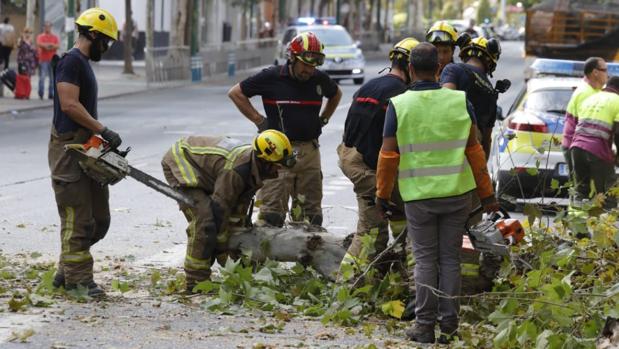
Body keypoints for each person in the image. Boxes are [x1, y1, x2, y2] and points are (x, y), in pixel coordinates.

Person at [376, 43, 498, 344]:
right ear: (439, 69)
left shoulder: (399, 105)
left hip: (419, 197)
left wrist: (383, 195)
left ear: (411, 70)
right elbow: (475, 151)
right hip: (457, 194)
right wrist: (486, 195)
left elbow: (388, 155)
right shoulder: (460, 102)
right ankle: (449, 326)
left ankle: (424, 326)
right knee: (451, 260)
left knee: (426, 260)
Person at [228, 32, 342, 228]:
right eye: (305, 64)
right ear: (292, 58)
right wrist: (259, 121)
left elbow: (336, 94)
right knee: (272, 216)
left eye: (313, 65)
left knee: (311, 217)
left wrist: (323, 119)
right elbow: (236, 93)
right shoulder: (272, 77)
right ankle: (263, 257)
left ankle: (305, 257)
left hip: (309, 153)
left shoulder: (319, 79)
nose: (309, 70)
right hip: (276, 156)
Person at [161, 130, 296, 292]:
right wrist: (221, 247)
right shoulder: (237, 170)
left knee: (231, 224)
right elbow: (220, 207)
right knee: (204, 220)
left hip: (209, 171)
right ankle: (196, 283)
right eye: (277, 166)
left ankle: (237, 272)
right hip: (182, 162)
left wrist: (235, 247)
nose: (278, 172)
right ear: (264, 161)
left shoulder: (254, 168)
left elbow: (237, 211)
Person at [47, 7, 119, 297]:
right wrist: (103, 129)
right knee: (78, 218)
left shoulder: (84, 63)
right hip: (68, 150)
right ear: (93, 35)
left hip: (87, 149)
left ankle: (66, 270)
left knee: (99, 219)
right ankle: (79, 281)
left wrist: (102, 143)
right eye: (106, 41)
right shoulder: (71, 62)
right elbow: (69, 105)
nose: (107, 47)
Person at [337, 37, 418, 270]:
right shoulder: (400, 95)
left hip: (350, 155)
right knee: (372, 234)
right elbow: (387, 145)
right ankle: (347, 284)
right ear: (410, 67)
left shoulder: (370, 85)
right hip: (367, 166)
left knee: (398, 209)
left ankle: (397, 261)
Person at [441, 35, 508, 159]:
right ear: (490, 62)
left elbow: (444, 102)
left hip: (446, 148)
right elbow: (487, 141)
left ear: (465, 54)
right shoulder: (492, 93)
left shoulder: (453, 69)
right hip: (471, 158)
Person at [570, 76, 619, 210]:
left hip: (576, 148)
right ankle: (607, 221)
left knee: (581, 192)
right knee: (609, 191)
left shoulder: (590, 99)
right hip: (596, 151)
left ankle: (578, 226)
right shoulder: (617, 101)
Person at [562, 57, 607, 179]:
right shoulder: (587, 93)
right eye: (605, 70)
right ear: (595, 72)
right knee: (582, 190)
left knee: (583, 189)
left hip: (581, 147)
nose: (607, 74)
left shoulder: (594, 90)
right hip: (580, 149)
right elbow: (589, 127)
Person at [36, 21, 59, 99]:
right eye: (46, 26)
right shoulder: (40, 36)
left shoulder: (55, 37)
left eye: (48, 26)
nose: (47, 28)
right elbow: (39, 44)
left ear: (51, 27)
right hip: (43, 60)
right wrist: (48, 46)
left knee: (52, 78)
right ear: (44, 27)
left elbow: (57, 45)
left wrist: (50, 46)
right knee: (42, 77)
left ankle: (51, 93)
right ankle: (41, 93)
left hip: (52, 60)